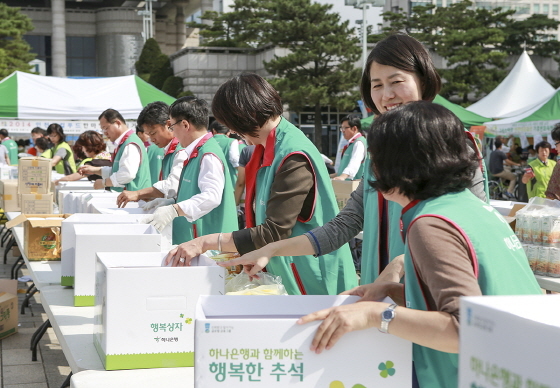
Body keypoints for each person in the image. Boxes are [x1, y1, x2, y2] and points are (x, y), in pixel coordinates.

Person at [227, 102, 542, 388]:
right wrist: (396, 293)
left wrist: (377, 316)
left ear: (402, 163)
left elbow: (467, 329)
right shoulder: (468, 208)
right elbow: (486, 305)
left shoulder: (430, 223)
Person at [209, 34, 489, 292]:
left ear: (423, 81)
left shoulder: (452, 141)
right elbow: (347, 222)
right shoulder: (379, 150)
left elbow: (475, 227)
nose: (386, 95)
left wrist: (405, 262)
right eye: (376, 85)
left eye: (396, 81)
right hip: (379, 291)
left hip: (431, 293)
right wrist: (273, 249)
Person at [164, 74, 358, 296]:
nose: (234, 133)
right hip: (286, 268)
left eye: (233, 125)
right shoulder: (267, 148)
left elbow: (274, 230)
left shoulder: (291, 154)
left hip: (310, 275)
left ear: (245, 117)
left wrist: (206, 242)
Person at [142, 96, 238, 245]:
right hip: (200, 240)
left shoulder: (207, 154)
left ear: (185, 125)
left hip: (210, 242)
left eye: (172, 127)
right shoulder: (196, 151)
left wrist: (174, 209)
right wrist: (172, 201)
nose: (173, 132)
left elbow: (211, 196)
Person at [116, 101, 186, 208]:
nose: (152, 139)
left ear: (168, 125)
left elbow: (172, 186)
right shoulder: (168, 149)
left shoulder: (181, 150)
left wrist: (139, 193)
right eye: (148, 135)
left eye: (153, 133)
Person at [78, 109, 151, 192]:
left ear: (118, 123)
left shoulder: (130, 144)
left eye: (106, 128)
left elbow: (126, 174)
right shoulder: (125, 142)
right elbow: (117, 170)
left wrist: (103, 182)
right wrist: (95, 170)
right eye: (103, 130)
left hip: (135, 199)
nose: (105, 133)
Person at [332, 114, 366, 181]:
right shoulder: (352, 143)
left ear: (354, 128)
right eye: (342, 128)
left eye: (345, 128)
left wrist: (343, 177)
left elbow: (354, 162)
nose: (342, 131)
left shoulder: (359, 143)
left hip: (355, 187)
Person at [209, 120, 240, 188]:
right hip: (228, 179)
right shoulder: (232, 141)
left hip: (211, 180)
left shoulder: (207, 141)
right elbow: (234, 160)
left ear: (213, 131)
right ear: (228, 132)